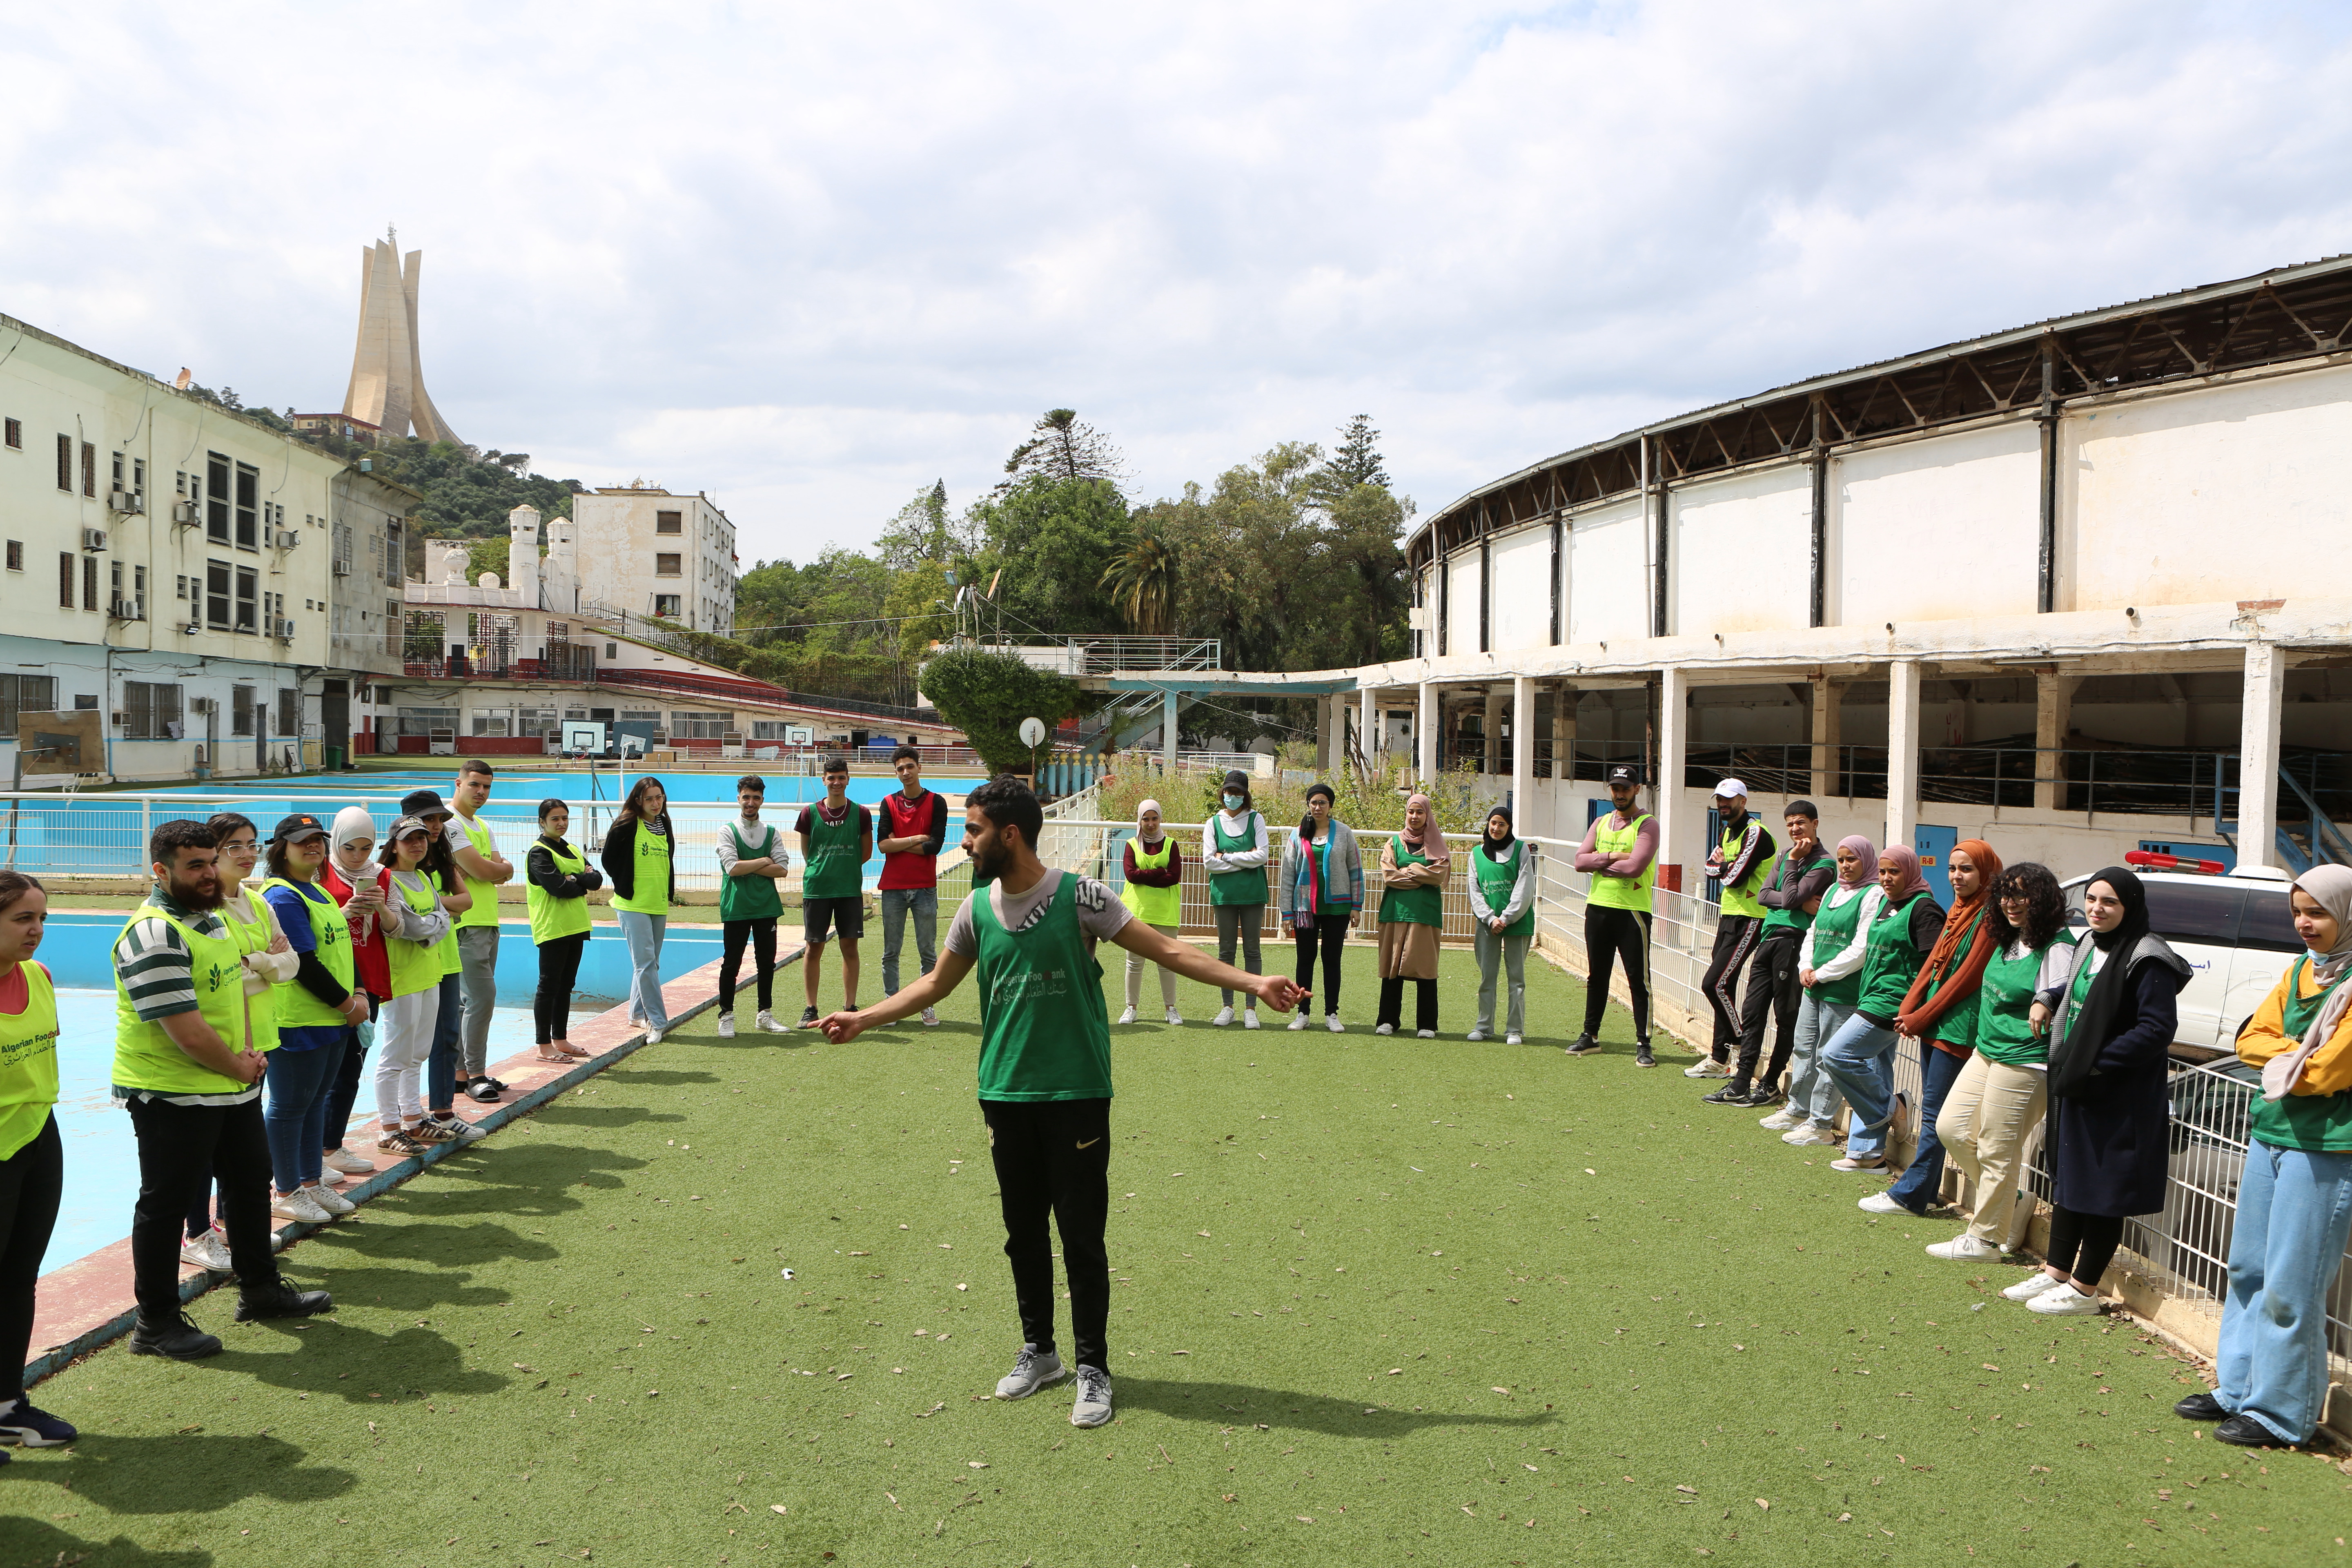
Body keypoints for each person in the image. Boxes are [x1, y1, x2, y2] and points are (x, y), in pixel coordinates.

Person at [816, 776, 1307, 1430]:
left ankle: (1093, 1367)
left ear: (1009, 834)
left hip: (1076, 1094)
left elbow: (1166, 947)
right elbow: (936, 982)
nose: (965, 842)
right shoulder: (977, 909)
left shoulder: (1082, 896)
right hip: (1005, 1094)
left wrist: (1253, 980)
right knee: (1023, 1235)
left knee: (1081, 1237)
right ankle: (1040, 1351)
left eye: (974, 830)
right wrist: (864, 1018)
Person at [116, 820, 331, 1361]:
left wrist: (246, 1059)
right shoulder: (153, 933)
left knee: (249, 1182)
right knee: (166, 1206)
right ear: (161, 871)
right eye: (196, 865)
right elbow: (185, 1029)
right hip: (172, 1092)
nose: (211, 873)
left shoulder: (210, 921)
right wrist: (240, 1067)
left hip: (229, 1084)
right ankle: (156, 1323)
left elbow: (235, 991)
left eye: (212, 861)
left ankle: (259, 1290)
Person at [2194, 864, 2352, 1446]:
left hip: (2328, 1146)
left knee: (2292, 1284)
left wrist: (2287, 1056)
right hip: (2273, 1133)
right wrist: (2299, 1052)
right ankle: (2236, 1391)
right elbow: (2247, 1040)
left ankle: (2281, 1414)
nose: (2305, 924)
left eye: (2319, 913)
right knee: (2247, 1271)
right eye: (2298, 912)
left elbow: (2332, 1071)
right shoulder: (2300, 971)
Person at [2020, 866, 2189, 1317]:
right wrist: (2048, 997)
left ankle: (2084, 1287)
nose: (2097, 909)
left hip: (2117, 1092)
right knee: (2071, 1179)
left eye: (2109, 902)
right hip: (2077, 1081)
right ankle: (2057, 1271)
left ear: (2129, 907)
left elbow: (2156, 1029)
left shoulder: (2150, 958)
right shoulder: (2088, 943)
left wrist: (2097, 1063)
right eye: (2092, 900)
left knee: (2103, 1189)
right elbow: (2080, 989)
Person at [1935, 862, 2073, 1262]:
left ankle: (1984, 1241)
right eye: (2007, 895)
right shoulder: (2008, 936)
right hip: (1988, 1050)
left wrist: (2045, 999)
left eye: (2023, 895)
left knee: (1998, 1150)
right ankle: (2012, 1203)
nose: (2012, 904)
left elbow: (2065, 989)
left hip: (2027, 1062)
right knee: (1954, 1129)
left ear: (2043, 900)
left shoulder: (2058, 945)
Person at [1865, 839, 2004, 1221]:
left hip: (1959, 1026)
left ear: (1987, 873)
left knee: (1940, 1116)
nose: (1957, 877)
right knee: (1935, 1112)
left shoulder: (1991, 915)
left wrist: (1921, 1016)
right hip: (1935, 1020)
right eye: (1952, 869)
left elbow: (1966, 979)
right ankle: (1922, 1192)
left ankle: (1911, 1195)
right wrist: (1910, 1008)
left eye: (1967, 870)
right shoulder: (1959, 909)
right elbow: (1934, 965)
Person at [194, 813, 303, 1247]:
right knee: (207, 1145)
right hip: (224, 1042)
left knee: (241, 1150)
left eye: (252, 844)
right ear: (212, 855)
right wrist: (267, 960)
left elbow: (290, 966)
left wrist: (256, 959)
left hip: (261, 1039)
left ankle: (229, 1223)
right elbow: (227, 976)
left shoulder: (259, 903)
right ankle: (198, 1232)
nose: (246, 854)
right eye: (233, 846)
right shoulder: (207, 908)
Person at [256, 813, 370, 1226]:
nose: (314, 848)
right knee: (290, 1107)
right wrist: (347, 1005)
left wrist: (357, 993)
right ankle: (286, 1190)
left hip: (332, 1019)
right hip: (299, 1020)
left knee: (315, 1102)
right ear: (280, 849)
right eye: (302, 842)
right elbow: (304, 963)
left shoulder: (317, 892)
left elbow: (340, 951)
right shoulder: (284, 896)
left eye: (318, 841)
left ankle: (310, 1179)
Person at [0, 871, 73, 1449]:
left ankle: (7, 1403)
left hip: (38, 1140)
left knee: (19, 1277)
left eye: (42, 917)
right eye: (23, 919)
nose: (38, 930)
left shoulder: (40, 976)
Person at [1819, 845, 1944, 1174]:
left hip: (1891, 1004)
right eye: (1884, 872)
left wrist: (1919, 1011)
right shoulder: (1888, 902)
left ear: (1911, 872)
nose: (1887, 879)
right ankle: (1869, 1155)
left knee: (1836, 1055)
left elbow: (1936, 965)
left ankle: (1894, 1106)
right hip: (1870, 995)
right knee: (1874, 1072)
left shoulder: (1924, 909)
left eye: (1895, 872)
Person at [1707, 800, 1835, 1107]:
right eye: (1791, 824)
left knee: (1785, 1016)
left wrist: (1792, 870)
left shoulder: (1824, 863)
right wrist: (1793, 897)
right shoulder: (1785, 854)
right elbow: (1765, 896)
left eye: (1801, 823)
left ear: (1815, 824)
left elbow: (1789, 896)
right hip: (1768, 938)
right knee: (1753, 1013)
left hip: (1794, 941)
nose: (1795, 829)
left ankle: (1770, 1083)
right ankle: (1740, 1083)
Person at [1763, 836, 1882, 1147]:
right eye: (1841, 859)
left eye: (1852, 859)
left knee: (1827, 1057)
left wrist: (1823, 974)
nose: (1845, 865)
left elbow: (1861, 948)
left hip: (1841, 990)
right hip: (1813, 985)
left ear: (1867, 861)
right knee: (1804, 1048)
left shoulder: (1873, 894)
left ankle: (1821, 1124)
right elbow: (1813, 933)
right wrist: (1805, 967)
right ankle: (1798, 1109)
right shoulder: (1832, 890)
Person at [400, 789, 484, 1146]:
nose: (435, 827)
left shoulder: (442, 862)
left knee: (446, 1038)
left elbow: (466, 901)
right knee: (407, 1045)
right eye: (428, 820)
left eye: (438, 820)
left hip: (446, 959)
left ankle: (443, 1112)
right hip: (413, 967)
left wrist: (431, 910)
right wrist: (439, 912)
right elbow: (401, 915)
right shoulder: (396, 866)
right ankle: (404, 1118)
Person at [374, 817, 457, 1156]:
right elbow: (411, 927)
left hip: (429, 974)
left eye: (422, 838)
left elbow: (441, 922)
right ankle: (388, 1128)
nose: (418, 845)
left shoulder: (424, 876)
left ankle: (413, 1119)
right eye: (409, 839)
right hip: (400, 979)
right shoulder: (387, 880)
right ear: (394, 843)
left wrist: (430, 927)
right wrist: (431, 927)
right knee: (395, 1055)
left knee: (418, 1052)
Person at [315, 806, 385, 1198]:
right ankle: (310, 1158)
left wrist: (380, 909)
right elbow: (308, 936)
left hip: (366, 981)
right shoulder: (318, 875)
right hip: (328, 984)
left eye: (366, 848)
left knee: (349, 1069)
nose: (358, 856)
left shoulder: (377, 875)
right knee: (320, 1075)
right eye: (350, 848)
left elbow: (397, 926)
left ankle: (331, 1146)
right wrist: (342, 915)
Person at [1569, 765, 1657, 1064]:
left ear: (1637, 789)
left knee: (1638, 980)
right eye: (1615, 788)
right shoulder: (1601, 822)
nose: (1620, 794)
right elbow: (1579, 861)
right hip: (1598, 908)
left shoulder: (1647, 825)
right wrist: (1612, 857)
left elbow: (1635, 868)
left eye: (1625, 788)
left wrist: (1599, 863)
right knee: (1597, 976)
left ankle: (1644, 1043)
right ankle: (1590, 1035)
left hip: (1632, 911)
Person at [1689, 779, 1776, 1079]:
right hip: (1728, 916)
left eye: (1729, 799)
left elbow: (1733, 878)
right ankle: (1718, 1058)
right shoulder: (1728, 831)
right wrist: (1724, 867)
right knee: (1725, 985)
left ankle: (1740, 1040)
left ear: (1744, 801)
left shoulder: (1757, 833)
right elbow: (1711, 870)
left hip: (1752, 917)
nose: (1723, 805)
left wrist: (1725, 867)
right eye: (1719, 800)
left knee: (1715, 984)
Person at [445, 761, 517, 1102]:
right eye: (474, 785)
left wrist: (494, 870)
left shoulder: (482, 826)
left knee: (466, 1003)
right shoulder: (449, 823)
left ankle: (460, 1075)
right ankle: (476, 1074)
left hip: (488, 920)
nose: (481, 792)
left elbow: (500, 870)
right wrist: (492, 870)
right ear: (457, 784)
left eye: (487, 787)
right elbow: (484, 869)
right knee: (482, 998)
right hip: (466, 924)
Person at [795, 756, 873, 1027]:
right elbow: (807, 852)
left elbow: (866, 852)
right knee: (813, 948)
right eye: (832, 778)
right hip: (817, 890)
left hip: (849, 889)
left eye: (841, 777)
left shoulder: (861, 813)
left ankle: (850, 1005)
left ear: (848, 779)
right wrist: (823, 869)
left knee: (849, 947)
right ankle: (810, 1007)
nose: (837, 782)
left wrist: (843, 868)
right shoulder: (809, 813)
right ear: (824, 780)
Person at [1280, 782, 1362, 1033]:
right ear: (1308, 805)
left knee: (1332, 960)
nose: (1318, 807)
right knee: (1305, 960)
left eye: (1322, 803)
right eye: (1314, 803)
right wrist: (1287, 912)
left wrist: (1356, 906)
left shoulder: (1345, 833)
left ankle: (1332, 1013)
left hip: (1337, 908)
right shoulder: (1298, 834)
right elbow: (1288, 876)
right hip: (1305, 908)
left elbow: (1355, 870)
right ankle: (1303, 1013)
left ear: (1331, 806)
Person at [601, 777, 677, 1045]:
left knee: (650, 964)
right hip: (632, 905)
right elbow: (608, 859)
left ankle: (636, 1013)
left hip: (657, 903)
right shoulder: (627, 823)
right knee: (645, 964)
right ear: (638, 801)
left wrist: (667, 893)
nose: (656, 803)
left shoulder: (664, 824)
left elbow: (668, 860)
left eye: (659, 797)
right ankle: (657, 1022)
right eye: (649, 799)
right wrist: (625, 885)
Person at [877, 745, 947, 1028]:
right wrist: (916, 838)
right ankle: (891, 1006)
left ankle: (926, 1005)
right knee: (891, 951)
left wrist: (900, 844)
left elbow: (935, 846)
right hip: (893, 887)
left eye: (910, 767)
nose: (906, 773)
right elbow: (883, 845)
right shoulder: (888, 803)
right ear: (896, 773)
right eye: (900, 769)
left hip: (924, 888)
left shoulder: (936, 802)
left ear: (919, 767)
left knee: (927, 951)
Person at [525, 798, 601, 1059]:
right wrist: (579, 882)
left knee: (566, 985)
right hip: (553, 928)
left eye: (565, 818)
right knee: (549, 986)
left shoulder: (573, 850)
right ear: (542, 822)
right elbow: (558, 887)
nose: (561, 823)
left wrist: (575, 879)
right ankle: (544, 1046)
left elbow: (597, 880)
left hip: (576, 926)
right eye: (555, 819)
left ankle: (561, 1039)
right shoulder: (539, 853)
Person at [715, 775, 790, 1038]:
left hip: (766, 907)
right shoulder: (727, 831)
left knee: (766, 963)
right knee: (731, 963)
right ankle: (726, 1015)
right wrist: (763, 861)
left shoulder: (771, 832)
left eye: (756, 798)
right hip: (736, 907)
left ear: (762, 800)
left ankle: (764, 1014)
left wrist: (753, 865)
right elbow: (732, 868)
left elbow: (782, 870)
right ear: (738, 798)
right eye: (746, 797)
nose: (751, 802)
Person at [1374, 792, 1448, 1039]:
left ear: (1428, 815)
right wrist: (1421, 876)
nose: (1415, 817)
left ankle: (1427, 1024)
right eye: (1411, 812)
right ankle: (1388, 1020)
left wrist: (1411, 869)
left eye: (1420, 812)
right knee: (1392, 966)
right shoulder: (1393, 843)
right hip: (1394, 913)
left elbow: (1439, 876)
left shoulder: (1437, 845)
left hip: (1425, 915)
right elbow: (1389, 876)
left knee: (1425, 969)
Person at [1200, 769, 1270, 1029]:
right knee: (1226, 950)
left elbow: (1262, 856)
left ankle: (1250, 1008)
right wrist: (1244, 859)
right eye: (1229, 792)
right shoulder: (1213, 823)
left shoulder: (1256, 820)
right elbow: (1209, 862)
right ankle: (1227, 1006)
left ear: (1246, 795)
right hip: (1224, 896)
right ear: (1223, 794)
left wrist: (1226, 857)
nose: (1233, 796)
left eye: (1238, 792)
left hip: (1253, 895)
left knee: (1252, 950)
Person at [1467, 804, 1535, 1045]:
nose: (1496, 828)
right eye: (1493, 823)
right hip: (1488, 925)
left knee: (1516, 978)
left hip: (1517, 923)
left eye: (1502, 824)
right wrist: (1490, 918)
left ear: (1509, 827)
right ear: (1488, 825)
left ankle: (1514, 1029)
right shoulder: (1476, 854)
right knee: (1488, 976)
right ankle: (1484, 1026)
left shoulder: (1521, 850)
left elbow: (1525, 887)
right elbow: (1474, 891)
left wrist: (1506, 918)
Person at [1116, 799, 1184, 1025]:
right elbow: (1131, 876)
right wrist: (1158, 872)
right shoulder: (1131, 844)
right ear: (1140, 820)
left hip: (1165, 912)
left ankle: (1171, 1009)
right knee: (1134, 962)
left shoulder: (1171, 844)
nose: (1151, 823)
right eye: (1146, 819)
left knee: (1167, 962)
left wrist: (1145, 875)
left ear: (1160, 819)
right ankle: (1131, 1008)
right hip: (1137, 911)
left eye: (1154, 818)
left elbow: (1174, 877)